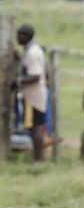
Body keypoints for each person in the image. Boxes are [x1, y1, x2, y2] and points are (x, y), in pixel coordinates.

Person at [13, 24, 47, 162]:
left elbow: (35, 76)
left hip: (34, 96)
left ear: (26, 36)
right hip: (32, 95)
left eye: (19, 35)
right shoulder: (30, 50)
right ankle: (38, 157)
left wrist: (16, 81)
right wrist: (18, 58)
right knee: (33, 127)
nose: (17, 38)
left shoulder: (33, 53)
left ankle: (38, 159)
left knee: (35, 128)